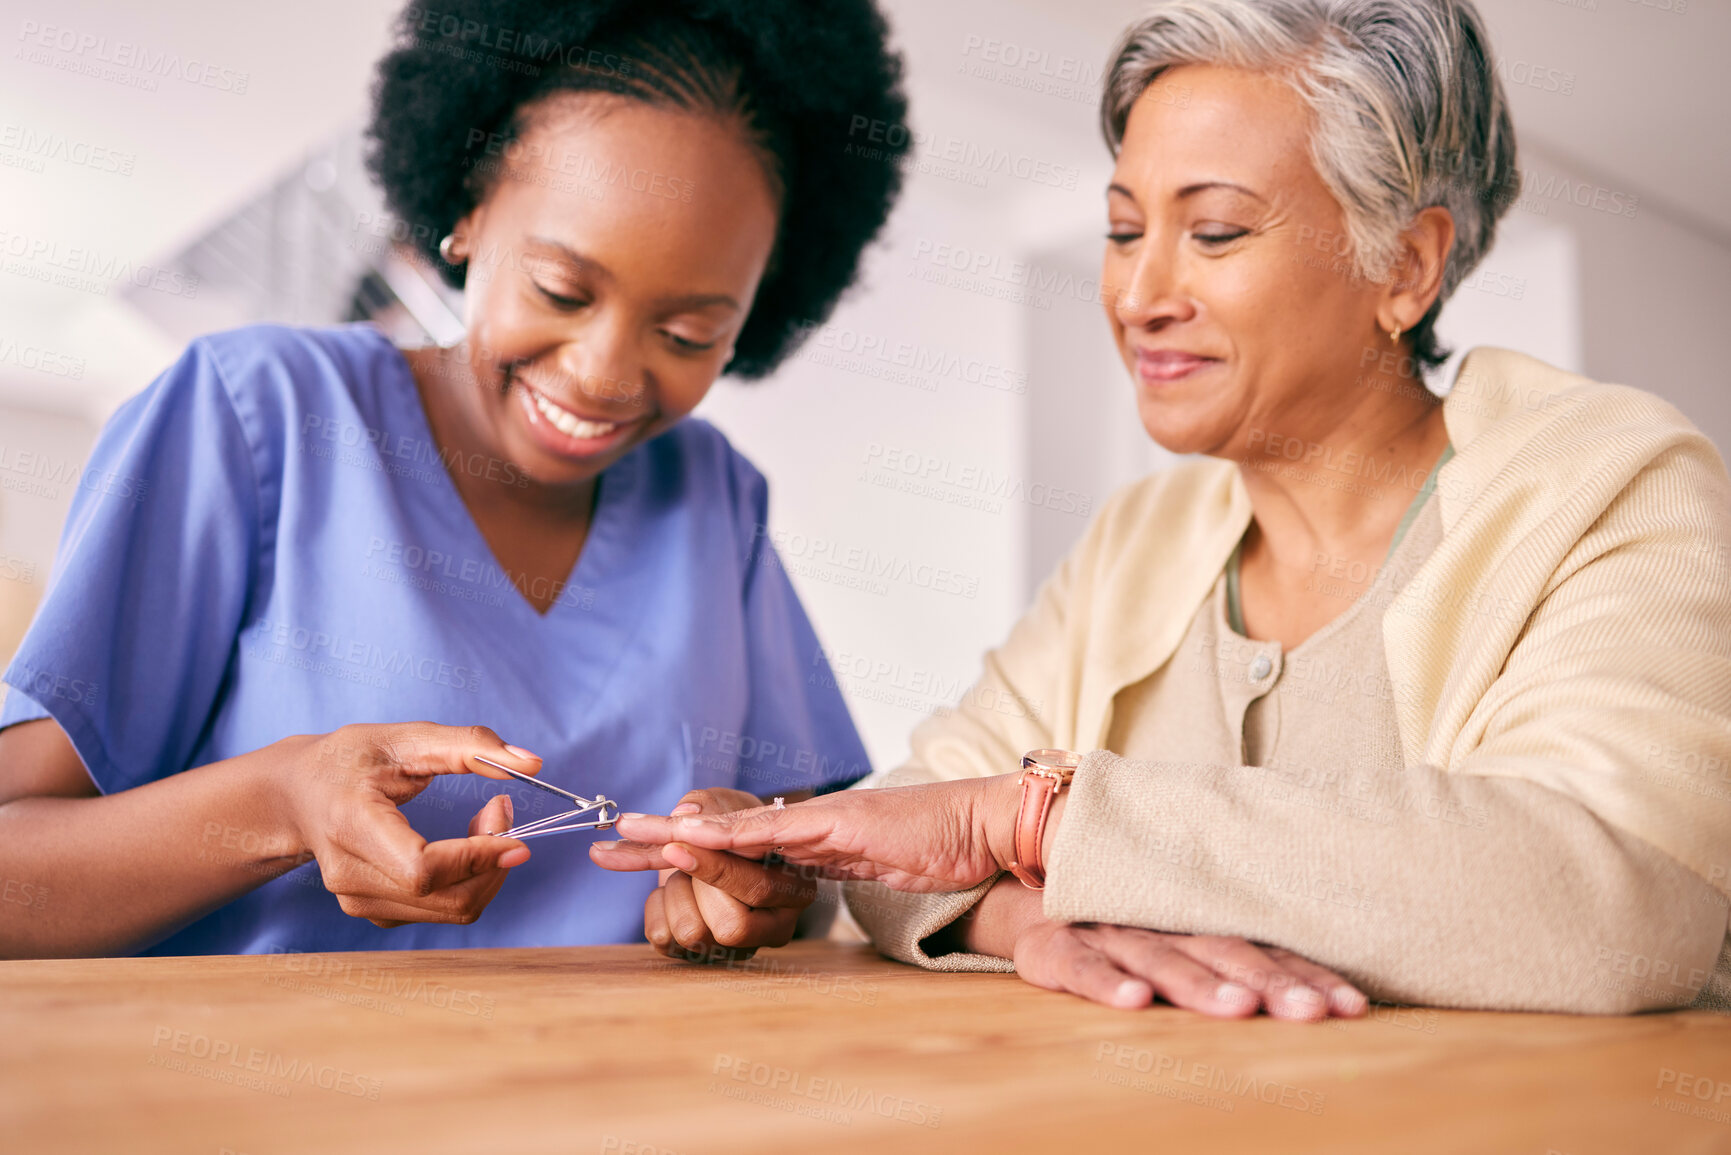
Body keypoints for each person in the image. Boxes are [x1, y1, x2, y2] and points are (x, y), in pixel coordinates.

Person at [598, 0, 1731, 1018]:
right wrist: (1026, 916)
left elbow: (1614, 906)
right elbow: (900, 838)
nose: (1139, 296)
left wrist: (1037, 826)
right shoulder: (1139, 544)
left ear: (1407, 264)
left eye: (1219, 231)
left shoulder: (1613, 489)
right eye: (1125, 228)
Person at [0, 0, 910, 959]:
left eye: (689, 336)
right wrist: (282, 800)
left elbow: (806, 887)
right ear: (467, 212)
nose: (604, 374)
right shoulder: (251, 413)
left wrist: (753, 885)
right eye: (560, 289)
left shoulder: (714, 498)